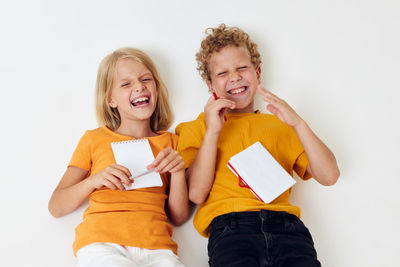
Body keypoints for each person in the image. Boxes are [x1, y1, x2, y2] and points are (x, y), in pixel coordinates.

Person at [175, 24, 340, 267]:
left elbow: (330, 176)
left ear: (258, 73)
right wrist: (212, 131)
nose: (234, 77)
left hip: (288, 229)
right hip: (231, 231)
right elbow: (197, 193)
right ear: (210, 84)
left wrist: (298, 123)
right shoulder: (196, 129)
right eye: (222, 73)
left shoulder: (281, 125)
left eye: (242, 68)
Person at [48, 47, 189, 267]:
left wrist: (178, 172)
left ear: (157, 88)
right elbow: (56, 206)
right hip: (103, 244)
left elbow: (179, 217)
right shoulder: (94, 140)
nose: (139, 86)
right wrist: (94, 181)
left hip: (158, 249)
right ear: (111, 100)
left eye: (146, 79)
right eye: (126, 84)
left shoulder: (172, 142)